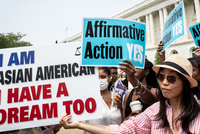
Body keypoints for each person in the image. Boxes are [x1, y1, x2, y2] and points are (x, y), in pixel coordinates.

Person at [60, 54, 200, 133]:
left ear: (186, 83)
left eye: (171, 78)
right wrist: (79, 124)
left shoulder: (197, 112)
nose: (164, 82)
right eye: (161, 77)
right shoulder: (155, 111)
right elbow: (121, 130)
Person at [83, 67, 122, 134]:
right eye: (97, 77)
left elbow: (122, 121)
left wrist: (120, 106)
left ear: (109, 78)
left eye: (103, 77)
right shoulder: (88, 99)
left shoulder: (115, 96)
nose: (100, 80)